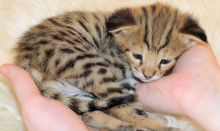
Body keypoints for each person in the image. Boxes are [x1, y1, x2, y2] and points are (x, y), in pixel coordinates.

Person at [0, 42, 219, 131]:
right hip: (58, 53)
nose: (149, 73)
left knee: (96, 90)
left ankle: (103, 117)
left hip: (63, 70)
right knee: (100, 79)